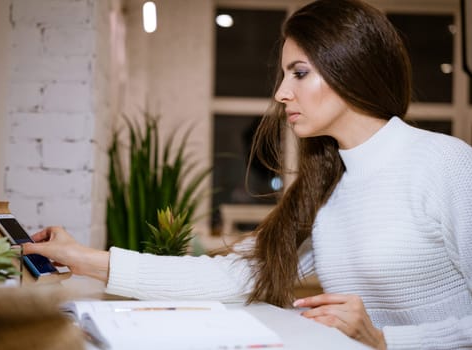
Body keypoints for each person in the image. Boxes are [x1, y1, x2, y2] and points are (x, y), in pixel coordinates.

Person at [23, 0, 472, 349]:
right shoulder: (325, 187)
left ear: (349, 68)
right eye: (283, 75)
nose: (281, 93)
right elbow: (230, 278)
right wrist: (83, 258)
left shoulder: (444, 163)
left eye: (299, 73)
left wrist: (387, 340)